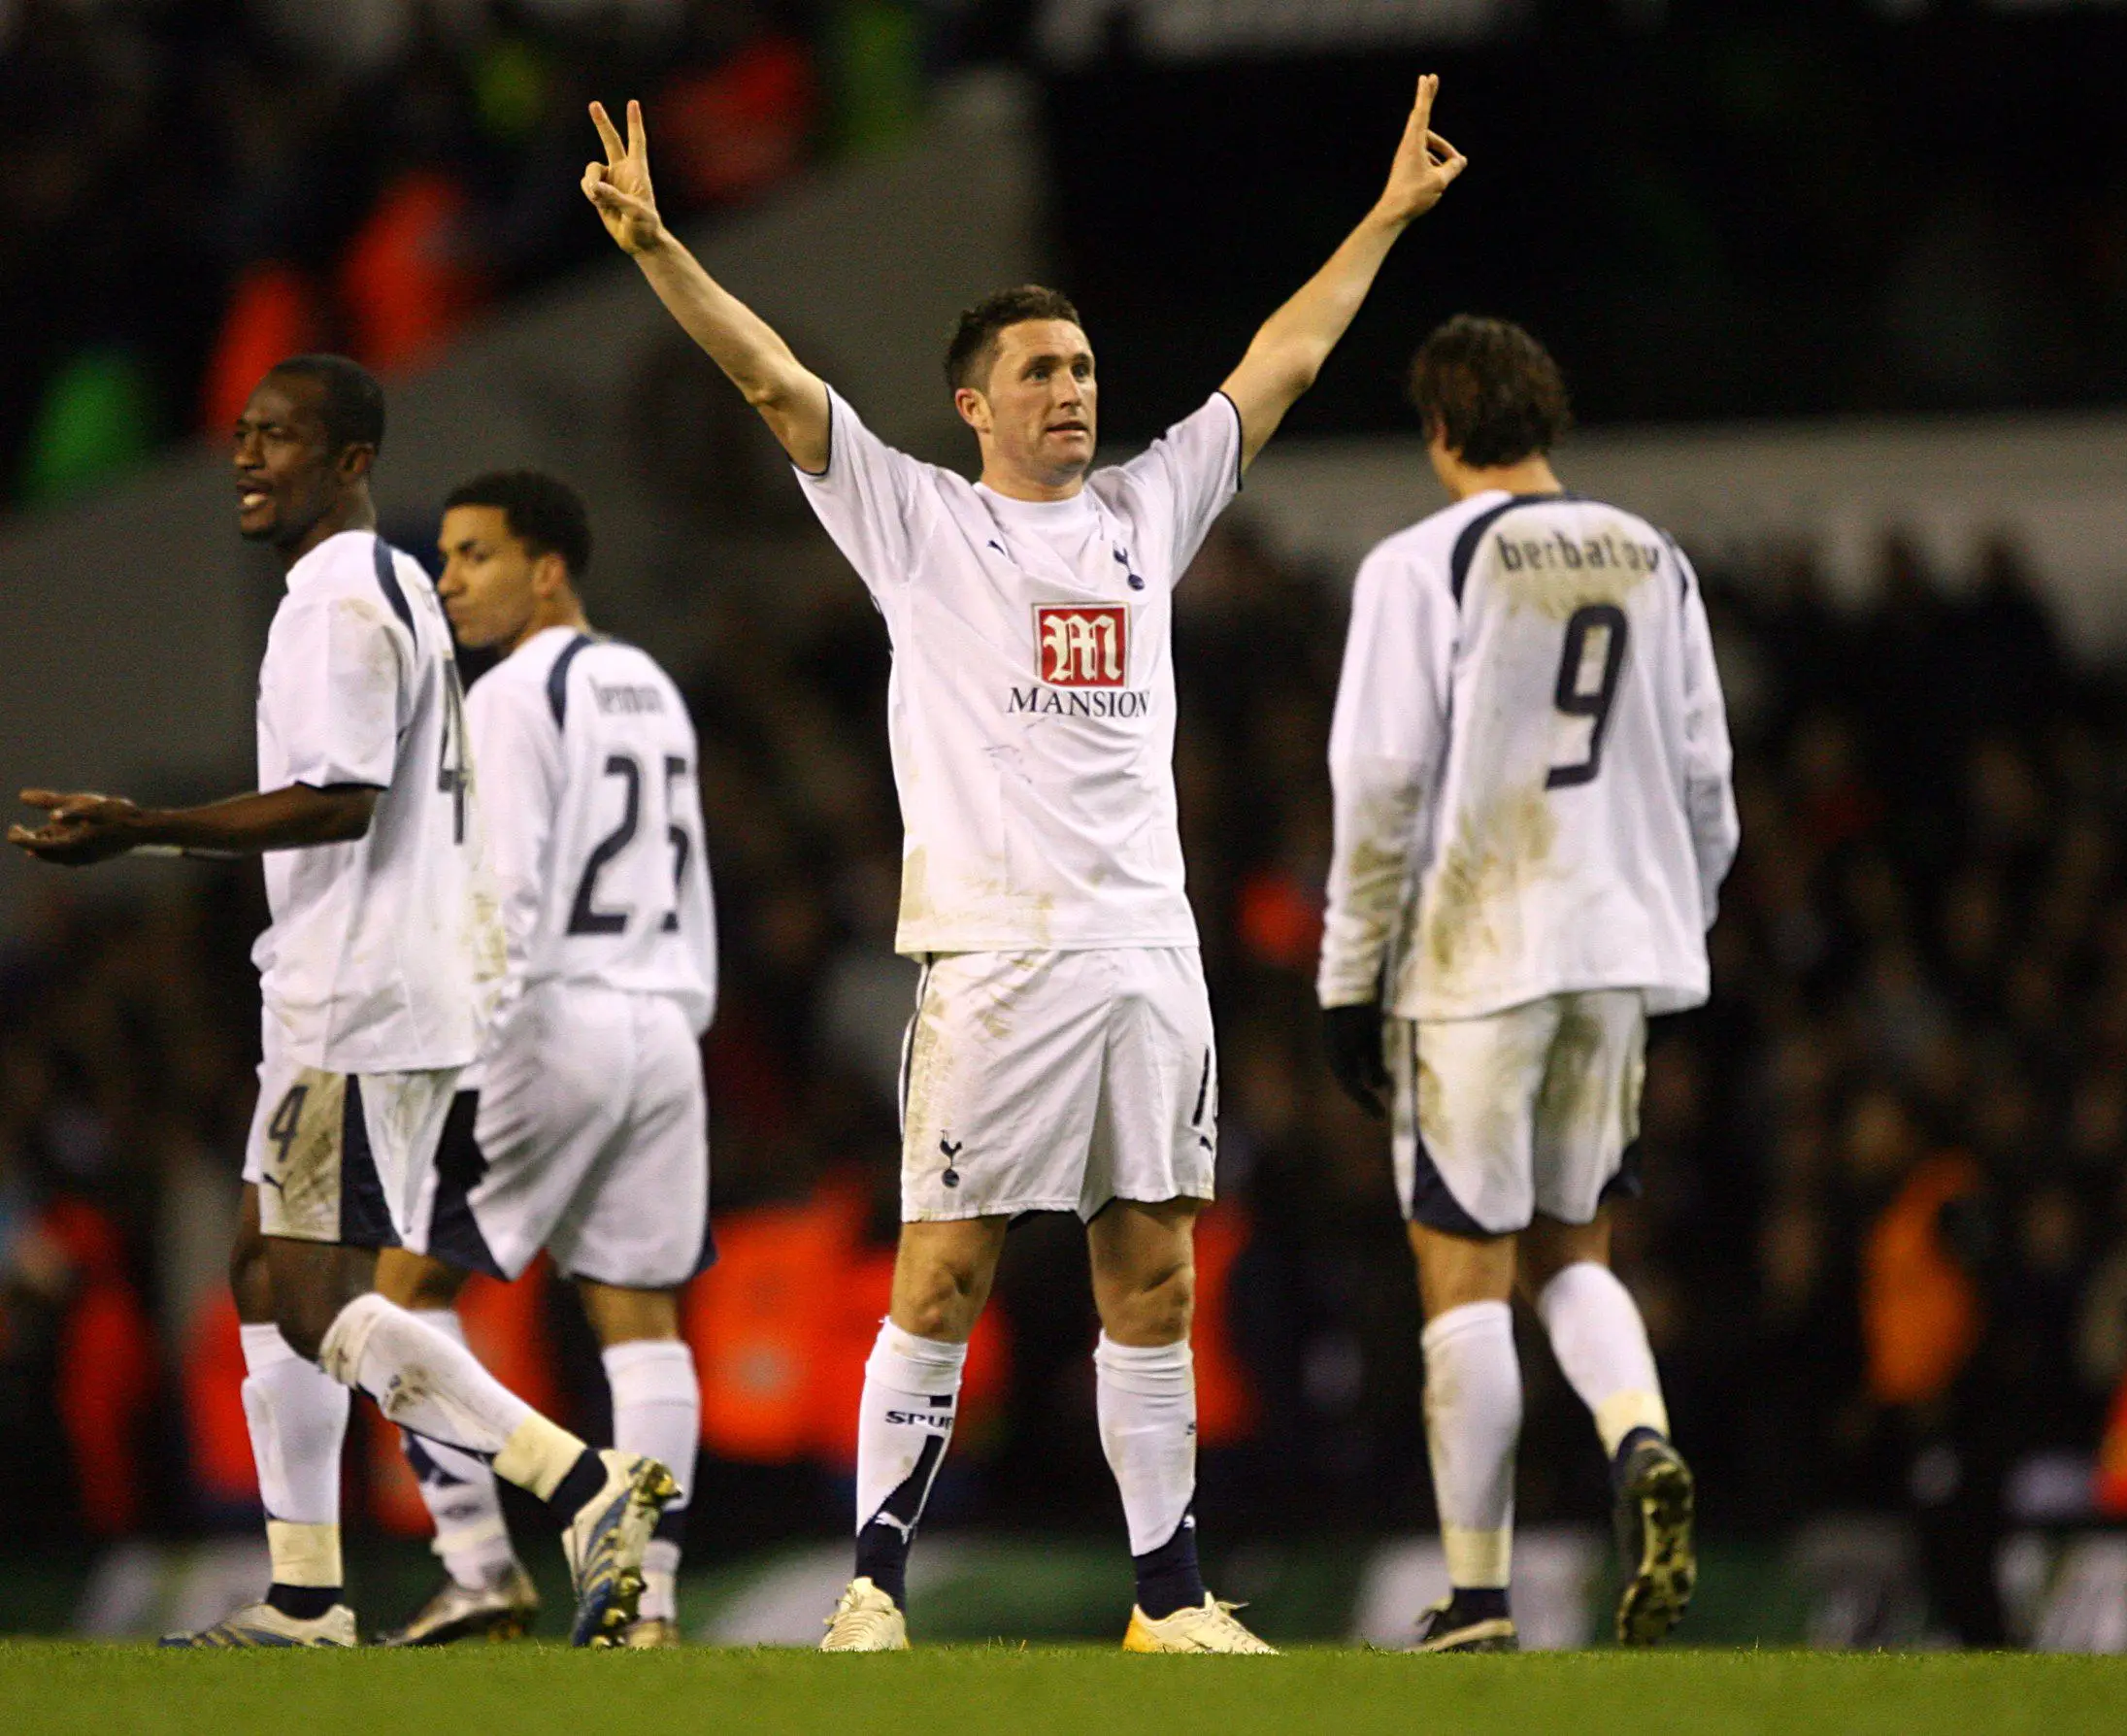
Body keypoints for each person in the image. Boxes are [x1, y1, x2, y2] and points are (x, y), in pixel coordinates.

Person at [580, 80, 1466, 1653]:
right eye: (1040, 372)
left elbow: (1287, 356)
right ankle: (870, 1586)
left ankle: (1167, 1600)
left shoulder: (1144, 513)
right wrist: (657, 248)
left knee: (1156, 1282)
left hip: (1145, 953)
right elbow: (773, 380)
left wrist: (1388, 217)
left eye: (1083, 367)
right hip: (995, 956)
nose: (1072, 390)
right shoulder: (916, 520)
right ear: (975, 405)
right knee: (942, 1274)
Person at [9, 358, 676, 1650]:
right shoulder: (384, 592)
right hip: (361, 983)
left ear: (352, 461)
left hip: (360, 996)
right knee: (265, 1275)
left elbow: (341, 793)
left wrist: (144, 830)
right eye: (245, 437)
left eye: (285, 439)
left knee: (316, 1299)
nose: (251, 459)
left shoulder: (338, 600)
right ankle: (309, 1593)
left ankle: (585, 1488)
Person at [1315, 317, 1738, 1653]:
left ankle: (1480, 1594)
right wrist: (1673, 913)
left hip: (1479, 953)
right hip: (1616, 953)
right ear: (1544, 420)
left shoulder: (1419, 563)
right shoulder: (1652, 559)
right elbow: (1706, 784)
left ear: (1440, 431)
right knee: (1575, 1247)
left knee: (1465, 1272)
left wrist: (1346, 976)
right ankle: (1639, 1437)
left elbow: (1380, 784)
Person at [372, 470, 715, 1652]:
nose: (450, 580)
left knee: (392, 1303)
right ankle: (650, 1605)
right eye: (447, 558)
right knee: (643, 1323)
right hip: (663, 1022)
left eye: (476, 556)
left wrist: (463, 1046)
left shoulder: (514, 696)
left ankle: (478, 1563)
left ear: (548, 567)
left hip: (550, 1017)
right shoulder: (652, 684)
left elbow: (504, 888)